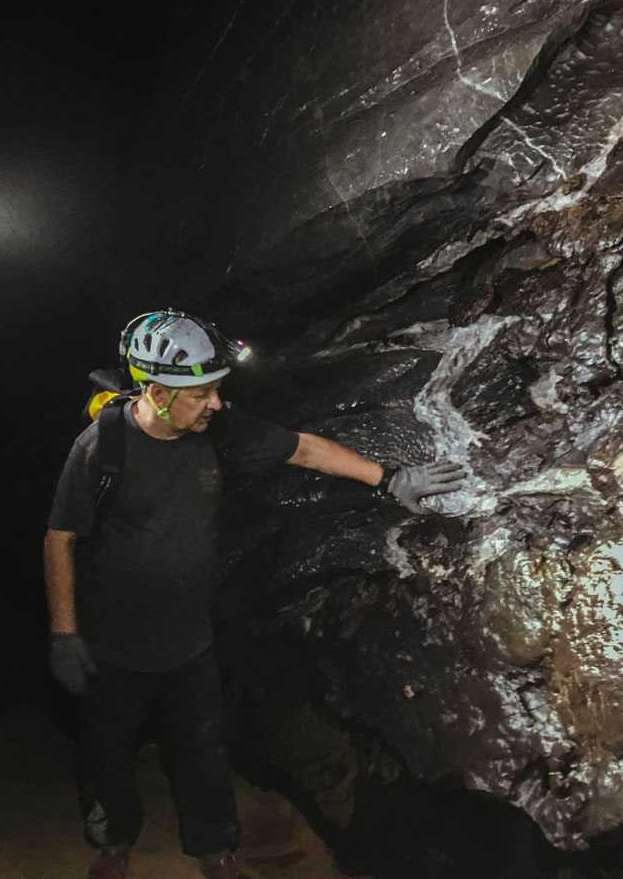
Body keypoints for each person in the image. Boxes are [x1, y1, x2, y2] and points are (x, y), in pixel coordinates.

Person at [44, 309, 466, 879]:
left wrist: (389, 480)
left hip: (189, 637)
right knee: (106, 747)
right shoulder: (103, 446)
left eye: (216, 389)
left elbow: (303, 450)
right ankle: (113, 845)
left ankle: (214, 852)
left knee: (203, 746)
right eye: (201, 393)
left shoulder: (217, 426)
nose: (215, 403)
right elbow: (60, 537)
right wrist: (65, 632)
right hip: (113, 640)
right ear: (157, 392)